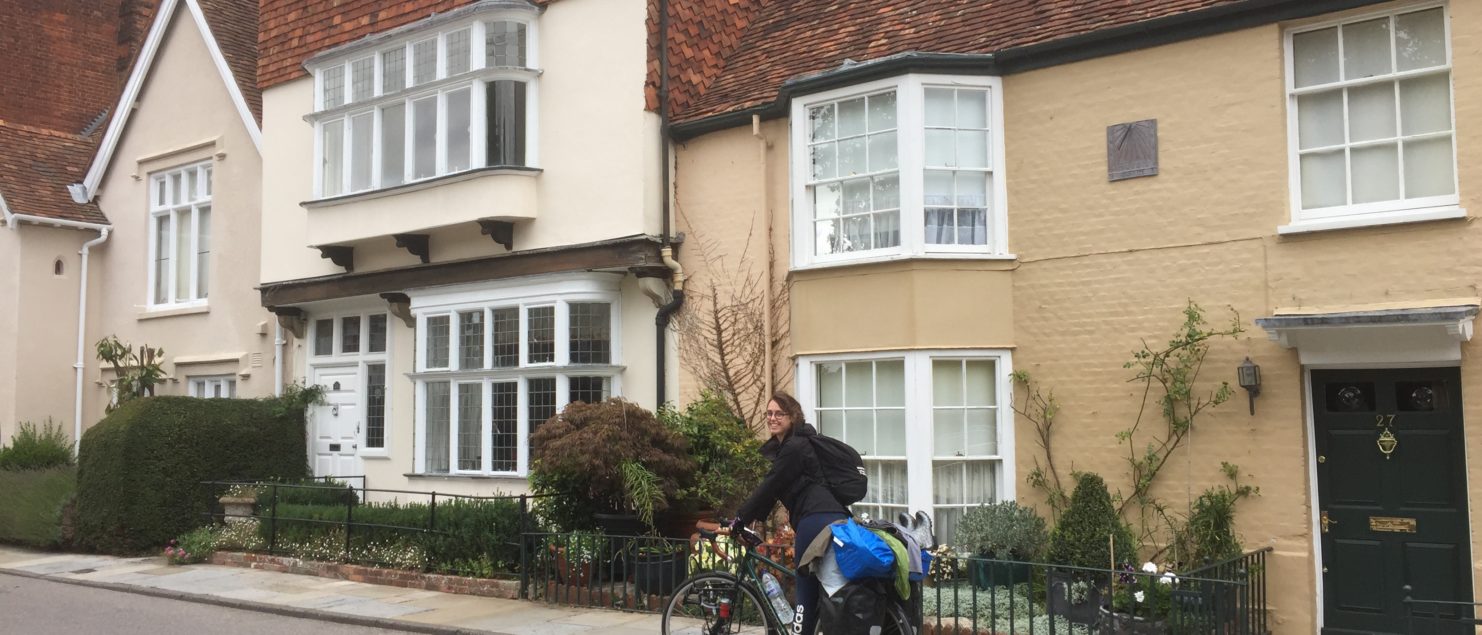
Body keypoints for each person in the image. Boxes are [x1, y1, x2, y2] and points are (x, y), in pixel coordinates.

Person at [731, 391, 849, 634]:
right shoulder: (796, 444)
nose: (772, 418)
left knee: (804, 588)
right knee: (823, 587)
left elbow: (769, 484)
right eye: (769, 413)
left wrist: (740, 518)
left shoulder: (794, 447)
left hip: (815, 519)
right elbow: (776, 490)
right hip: (833, 515)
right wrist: (754, 518)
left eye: (779, 414)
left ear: (792, 416)